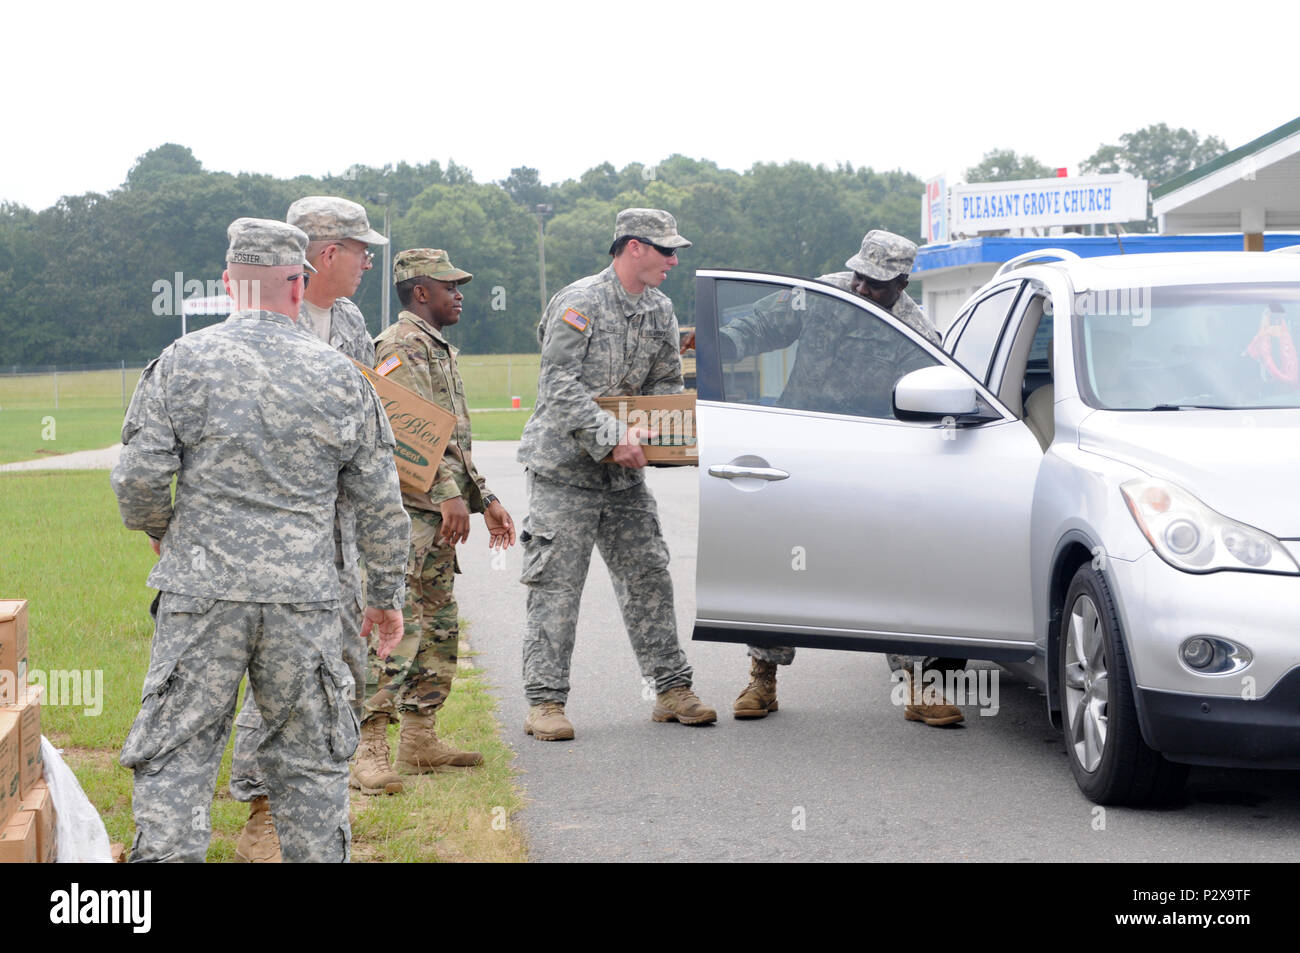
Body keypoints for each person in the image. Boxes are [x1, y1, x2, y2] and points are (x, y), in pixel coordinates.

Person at [113, 218, 409, 863]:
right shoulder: (341, 376)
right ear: (298, 285)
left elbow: (137, 479)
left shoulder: (179, 363)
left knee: (177, 756)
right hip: (305, 600)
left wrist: (167, 532)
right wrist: (384, 597)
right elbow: (382, 505)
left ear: (227, 284)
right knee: (311, 764)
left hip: (201, 592)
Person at [715, 230, 967, 727]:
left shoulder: (915, 332)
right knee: (780, 567)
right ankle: (762, 678)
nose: (862, 288)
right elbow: (763, 322)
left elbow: (932, 403)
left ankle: (920, 685)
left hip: (869, 461)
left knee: (893, 569)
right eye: (858, 275)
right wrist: (722, 340)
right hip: (799, 449)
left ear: (901, 281)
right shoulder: (825, 293)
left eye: (875, 283)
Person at [228, 195, 389, 862]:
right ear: (326, 254)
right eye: (359, 249)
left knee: (339, 665)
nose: (367, 260)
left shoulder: (349, 321)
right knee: (277, 664)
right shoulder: (251, 323)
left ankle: (320, 799)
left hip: (339, 531)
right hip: (267, 532)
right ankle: (263, 810)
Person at [518, 208, 716, 741]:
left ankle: (671, 689)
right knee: (556, 586)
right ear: (633, 248)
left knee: (648, 575)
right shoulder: (580, 301)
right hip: (564, 471)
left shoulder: (659, 308)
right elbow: (557, 383)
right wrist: (610, 437)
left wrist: (683, 433)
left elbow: (664, 385)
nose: (674, 260)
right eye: (665, 250)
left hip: (624, 477)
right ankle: (545, 703)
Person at [357, 248, 516, 783]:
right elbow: (399, 433)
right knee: (395, 630)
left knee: (438, 628)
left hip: (438, 516)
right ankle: (369, 747)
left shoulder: (438, 348)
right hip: (408, 517)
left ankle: (420, 740)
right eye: (449, 286)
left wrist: (484, 498)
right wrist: (450, 494)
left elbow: (448, 441)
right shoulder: (398, 346)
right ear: (420, 292)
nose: (459, 294)